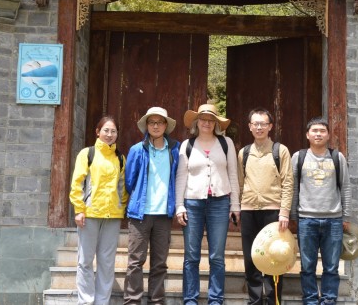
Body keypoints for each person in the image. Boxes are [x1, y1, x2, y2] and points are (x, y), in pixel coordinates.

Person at [175, 103, 241, 305]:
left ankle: (215, 299)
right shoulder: (187, 144)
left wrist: (235, 205)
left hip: (220, 203)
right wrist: (179, 205)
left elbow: (233, 174)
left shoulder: (226, 143)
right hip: (193, 203)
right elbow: (181, 177)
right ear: (197, 122)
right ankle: (190, 299)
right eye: (203, 119)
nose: (206, 122)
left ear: (216, 123)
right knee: (191, 256)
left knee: (217, 256)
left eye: (211, 119)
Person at [291, 117, 351, 305]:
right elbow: (292, 188)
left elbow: (346, 187)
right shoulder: (298, 157)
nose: (318, 134)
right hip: (306, 219)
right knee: (307, 266)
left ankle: (328, 300)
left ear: (328, 135)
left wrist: (346, 216)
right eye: (314, 130)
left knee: (331, 266)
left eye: (322, 131)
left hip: (333, 219)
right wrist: (293, 216)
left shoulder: (337, 157)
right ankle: (309, 300)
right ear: (307, 135)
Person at [123, 107, 180, 305]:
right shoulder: (137, 150)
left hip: (164, 214)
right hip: (140, 214)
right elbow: (129, 181)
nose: (155, 126)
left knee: (159, 264)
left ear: (166, 126)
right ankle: (132, 301)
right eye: (152, 122)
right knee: (135, 262)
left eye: (159, 122)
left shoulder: (175, 149)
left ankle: (156, 301)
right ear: (147, 126)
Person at [69, 115, 128, 305]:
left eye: (113, 131)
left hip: (112, 217)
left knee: (107, 263)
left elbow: (123, 187)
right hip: (90, 215)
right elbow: (77, 183)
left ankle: (102, 301)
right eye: (106, 130)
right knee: (85, 261)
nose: (110, 135)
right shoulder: (87, 154)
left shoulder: (120, 158)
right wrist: (79, 209)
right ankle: (86, 301)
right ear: (98, 132)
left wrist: (121, 207)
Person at [238, 107, 293, 304]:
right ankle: (254, 300)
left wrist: (284, 212)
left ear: (270, 126)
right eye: (255, 124)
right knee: (250, 259)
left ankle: (273, 300)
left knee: (274, 256)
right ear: (250, 127)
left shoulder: (280, 150)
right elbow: (240, 183)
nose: (259, 127)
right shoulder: (243, 153)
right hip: (249, 211)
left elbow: (288, 182)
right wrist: (238, 207)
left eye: (263, 123)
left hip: (273, 212)